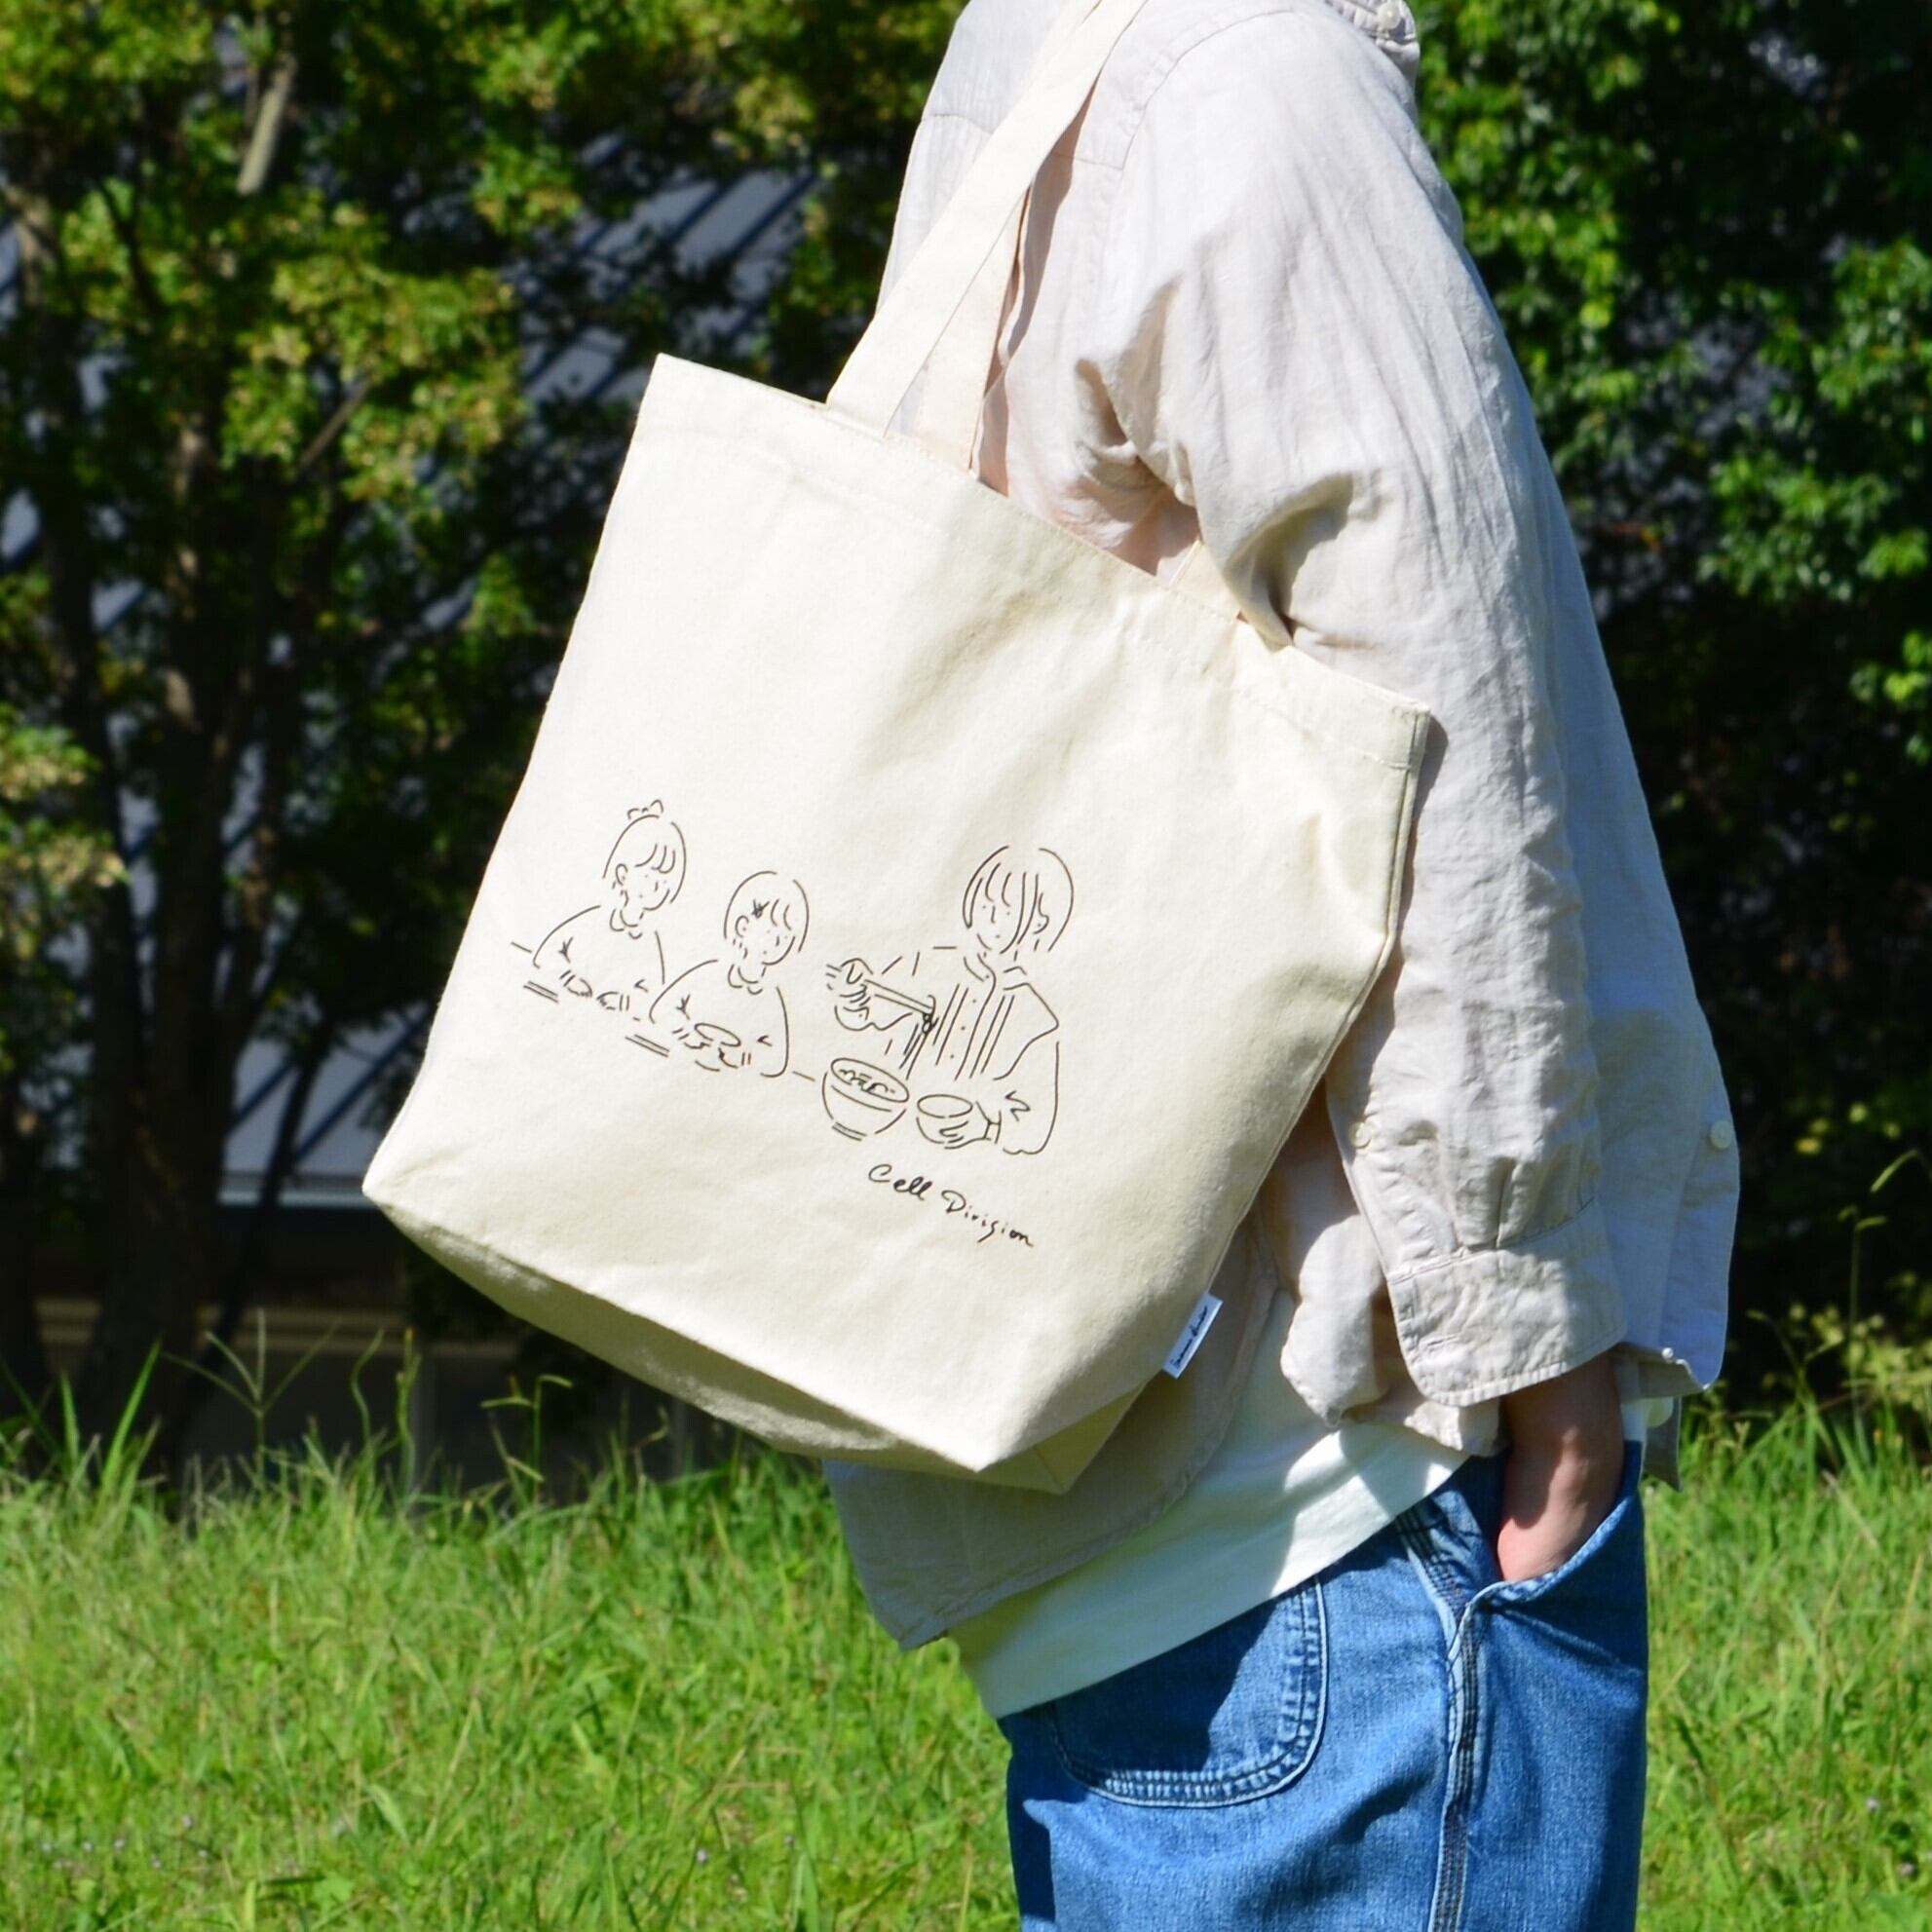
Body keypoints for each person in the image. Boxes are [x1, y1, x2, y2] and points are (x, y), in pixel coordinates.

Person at [820, 1, 1739, 1926]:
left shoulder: (1046, 46)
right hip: (1349, 1490)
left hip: (1124, 1484)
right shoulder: (1257, 74)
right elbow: (1447, 747)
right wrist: (1537, 1350)